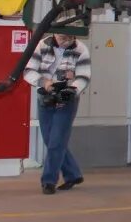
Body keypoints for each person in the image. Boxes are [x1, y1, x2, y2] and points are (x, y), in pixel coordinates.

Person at [23, 32, 90, 194]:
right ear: (54, 34)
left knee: (56, 141)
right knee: (51, 140)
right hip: (45, 97)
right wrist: (45, 83)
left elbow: (84, 76)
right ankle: (73, 174)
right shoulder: (41, 45)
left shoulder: (81, 49)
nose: (65, 43)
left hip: (67, 100)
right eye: (62, 38)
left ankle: (48, 181)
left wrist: (72, 90)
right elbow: (28, 70)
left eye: (69, 39)